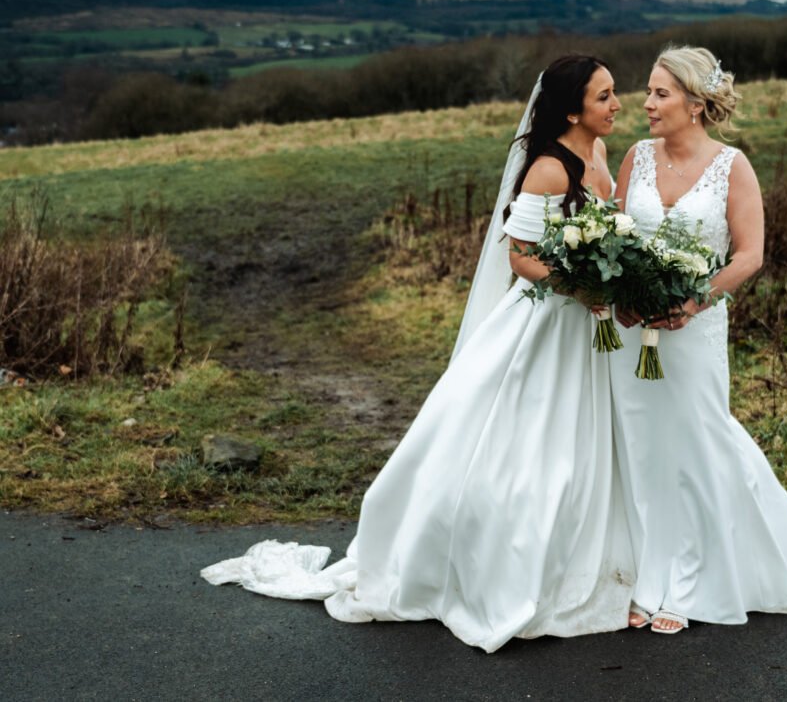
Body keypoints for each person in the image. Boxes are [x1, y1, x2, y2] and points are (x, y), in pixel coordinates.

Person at [202, 55, 636, 652]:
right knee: (529, 443)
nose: (617, 104)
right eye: (604, 95)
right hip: (549, 322)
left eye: (614, 93)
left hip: (590, 328)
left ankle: (589, 554)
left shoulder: (601, 155)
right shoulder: (548, 169)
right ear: (570, 110)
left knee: (583, 442)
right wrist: (578, 285)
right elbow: (520, 256)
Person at [610, 45, 787, 635]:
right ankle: (647, 576)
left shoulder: (731, 166)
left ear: (694, 102)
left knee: (696, 443)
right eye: (649, 91)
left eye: (660, 93)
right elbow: (616, 236)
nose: (646, 103)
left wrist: (692, 301)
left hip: (695, 328)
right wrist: (623, 295)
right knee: (640, 448)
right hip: (635, 331)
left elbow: (749, 254)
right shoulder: (635, 157)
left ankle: (690, 583)